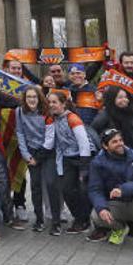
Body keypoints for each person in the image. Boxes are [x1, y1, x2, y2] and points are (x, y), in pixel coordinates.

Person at [86, 129, 133, 255]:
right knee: (96, 215)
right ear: (105, 146)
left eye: (120, 140)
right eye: (114, 142)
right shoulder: (97, 163)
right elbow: (95, 189)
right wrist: (102, 208)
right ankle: (119, 229)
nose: (120, 143)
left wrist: (123, 189)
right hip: (115, 205)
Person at [43, 90, 92, 236]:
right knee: (67, 190)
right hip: (66, 158)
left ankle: (85, 220)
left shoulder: (72, 118)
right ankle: (80, 218)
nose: (52, 105)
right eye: (49, 102)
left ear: (63, 104)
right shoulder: (52, 119)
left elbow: (84, 143)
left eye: (55, 102)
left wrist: (84, 167)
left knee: (83, 190)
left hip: (82, 157)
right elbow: (51, 142)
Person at [15, 86, 50, 232]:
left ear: (39, 98)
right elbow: (20, 133)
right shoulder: (19, 111)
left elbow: (49, 136)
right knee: (35, 187)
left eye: (34, 97)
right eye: (29, 97)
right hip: (31, 152)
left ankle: (55, 217)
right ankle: (39, 219)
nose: (31, 99)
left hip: (46, 151)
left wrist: (40, 156)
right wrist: (26, 155)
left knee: (51, 184)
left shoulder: (46, 111)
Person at [91, 87, 133, 155]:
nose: (125, 100)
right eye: (120, 97)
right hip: (116, 155)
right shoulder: (105, 115)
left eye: (126, 97)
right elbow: (93, 132)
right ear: (112, 99)